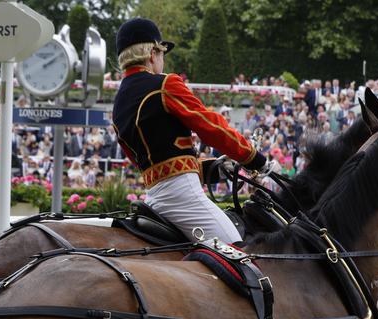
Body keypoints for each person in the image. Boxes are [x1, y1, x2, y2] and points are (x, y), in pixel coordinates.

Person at [111, 17, 268, 243]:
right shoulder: (164, 85)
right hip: (182, 198)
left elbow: (152, 164)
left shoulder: (118, 105)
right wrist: (252, 157)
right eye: (162, 53)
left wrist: (209, 169)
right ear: (152, 53)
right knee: (241, 255)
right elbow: (211, 126)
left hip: (154, 198)